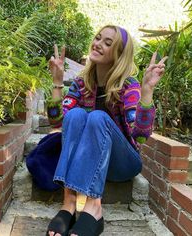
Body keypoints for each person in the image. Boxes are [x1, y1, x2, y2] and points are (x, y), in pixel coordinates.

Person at [46, 24, 167, 236]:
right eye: (98, 38)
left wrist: (147, 91)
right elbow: (58, 123)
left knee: (97, 117)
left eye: (108, 43)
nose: (98, 44)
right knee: (74, 115)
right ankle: (69, 202)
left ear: (119, 55)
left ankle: (94, 208)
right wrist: (57, 82)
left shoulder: (128, 85)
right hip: (90, 161)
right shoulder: (81, 83)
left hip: (123, 163)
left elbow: (140, 135)